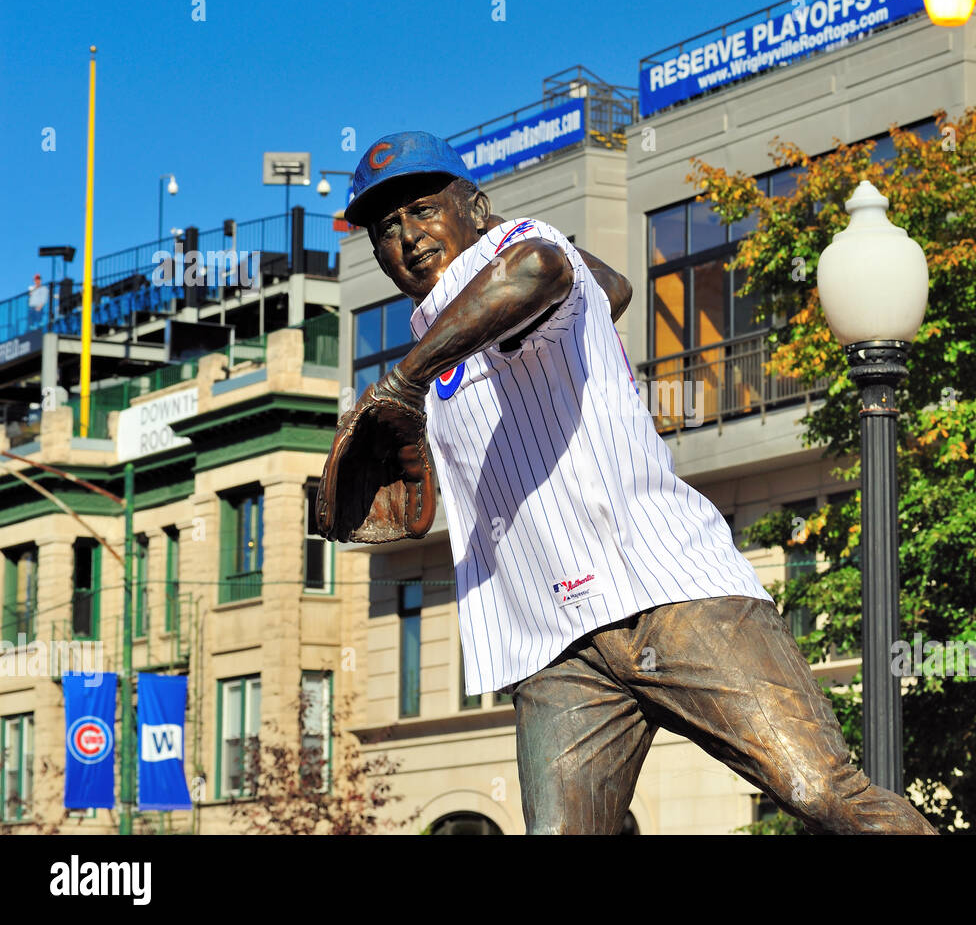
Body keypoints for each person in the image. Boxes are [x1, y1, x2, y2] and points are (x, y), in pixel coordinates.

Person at [332, 131, 937, 835]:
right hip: (557, 647)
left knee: (822, 792)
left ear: (475, 208)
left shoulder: (516, 256)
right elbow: (610, 288)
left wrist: (402, 380)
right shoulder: (436, 353)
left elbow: (544, 272)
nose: (407, 237)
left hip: (669, 593)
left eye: (424, 210)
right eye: (386, 229)